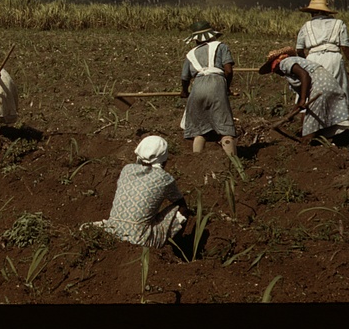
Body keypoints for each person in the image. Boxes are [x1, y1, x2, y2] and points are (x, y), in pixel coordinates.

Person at [87, 135, 188, 248]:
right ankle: (175, 248)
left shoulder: (127, 169)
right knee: (182, 209)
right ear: (164, 159)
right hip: (140, 239)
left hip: (113, 231)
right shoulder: (164, 178)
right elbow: (181, 203)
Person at [259, 46, 349, 141]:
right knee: (320, 118)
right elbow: (303, 90)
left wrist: (303, 100)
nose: (277, 74)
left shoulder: (284, 62)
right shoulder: (293, 63)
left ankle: (306, 143)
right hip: (328, 84)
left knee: (311, 122)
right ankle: (330, 141)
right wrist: (293, 112)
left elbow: (305, 75)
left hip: (320, 86)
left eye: (275, 71)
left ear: (276, 64)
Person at [179, 20, 237, 157]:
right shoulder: (221, 46)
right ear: (211, 35)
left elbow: (184, 78)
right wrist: (226, 88)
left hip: (197, 87)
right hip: (216, 84)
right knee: (225, 128)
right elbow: (228, 71)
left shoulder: (190, 54)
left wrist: (184, 91)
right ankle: (233, 163)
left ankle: (197, 162)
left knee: (199, 129)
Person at [295, 0, 349, 107]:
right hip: (334, 60)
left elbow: (299, 50)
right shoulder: (339, 24)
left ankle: (307, 121)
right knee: (337, 94)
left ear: (314, 12)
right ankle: (338, 120)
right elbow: (345, 48)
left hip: (312, 60)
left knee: (310, 93)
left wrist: (304, 65)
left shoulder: (306, 26)